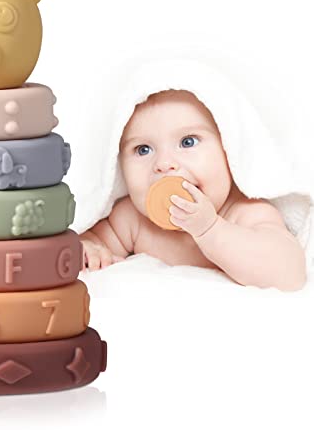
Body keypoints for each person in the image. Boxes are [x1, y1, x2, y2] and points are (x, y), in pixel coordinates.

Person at [79, 89, 307, 291]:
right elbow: (94, 240)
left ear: (229, 149)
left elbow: (290, 275)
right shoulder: (132, 220)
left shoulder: (247, 213)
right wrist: (89, 248)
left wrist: (211, 229)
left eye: (187, 142)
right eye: (143, 149)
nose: (164, 163)